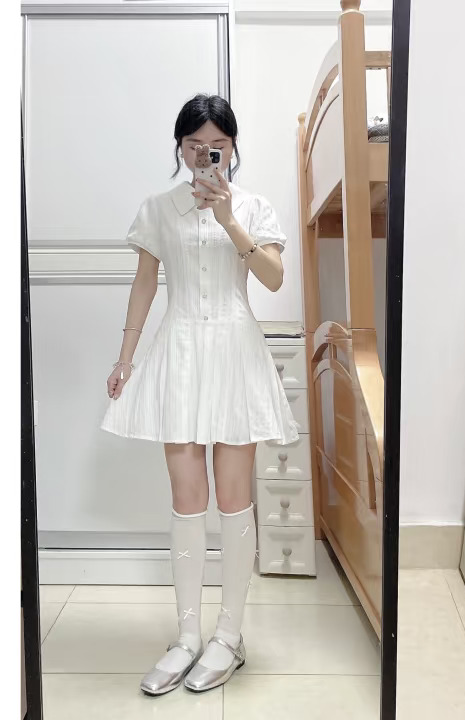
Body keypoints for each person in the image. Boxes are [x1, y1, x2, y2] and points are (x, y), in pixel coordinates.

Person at [99, 93, 299, 694]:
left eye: (217, 146)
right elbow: (144, 284)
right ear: (181, 148)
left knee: (234, 501)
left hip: (236, 353)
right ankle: (188, 636)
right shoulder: (158, 209)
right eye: (194, 146)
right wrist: (125, 357)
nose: (205, 155)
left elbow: (272, 278)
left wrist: (229, 218)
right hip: (179, 354)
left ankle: (229, 637)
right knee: (187, 500)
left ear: (232, 148)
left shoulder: (254, 206)